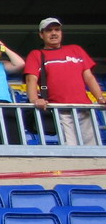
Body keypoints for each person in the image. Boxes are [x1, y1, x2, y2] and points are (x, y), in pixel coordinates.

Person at [24, 17, 105, 147]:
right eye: (49, 30)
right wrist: (34, 99)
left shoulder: (76, 50)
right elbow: (31, 79)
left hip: (84, 109)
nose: (54, 33)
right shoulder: (36, 54)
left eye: (57, 30)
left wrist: (100, 98)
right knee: (70, 149)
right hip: (60, 110)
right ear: (41, 35)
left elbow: (89, 77)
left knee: (92, 149)